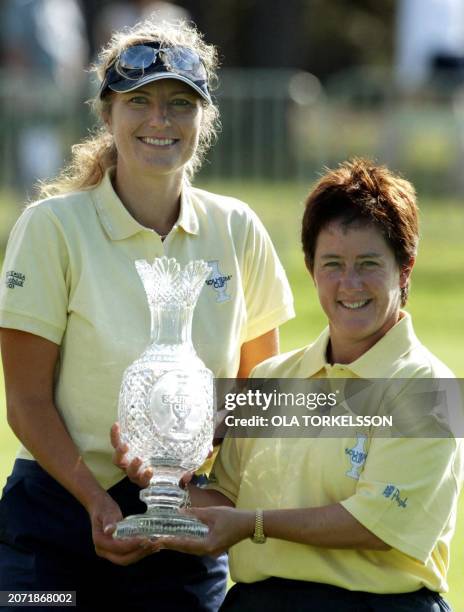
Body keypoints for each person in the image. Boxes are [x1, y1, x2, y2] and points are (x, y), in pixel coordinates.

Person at [0, 17, 294, 612]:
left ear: (203, 122)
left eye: (180, 104)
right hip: (53, 518)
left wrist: (203, 466)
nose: (160, 120)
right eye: (140, 102)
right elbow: (26, 402)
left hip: (183, 524)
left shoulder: (236, 229)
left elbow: (258, 394)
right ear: (107, 115)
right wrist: (96, 502)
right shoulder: (52, 226)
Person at [114, 159, 463, 611]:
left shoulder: (429, 387)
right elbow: (227, 497)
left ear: (405, 268)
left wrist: (253, 525)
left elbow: (375, 525)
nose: (349, 283)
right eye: (332, 264)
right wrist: (164, 482)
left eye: (369, 264)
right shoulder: (270, 380)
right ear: (310, 268)